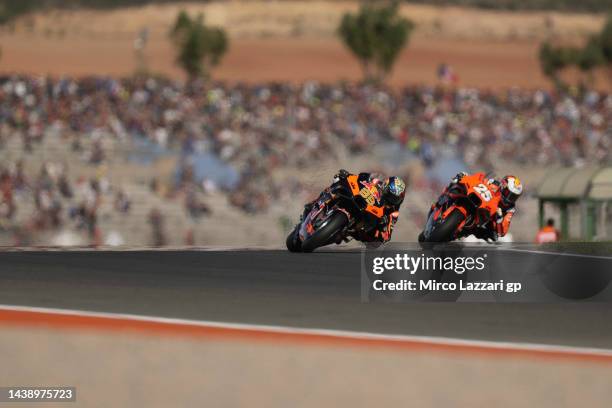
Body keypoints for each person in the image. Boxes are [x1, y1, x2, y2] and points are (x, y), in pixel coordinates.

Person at [302, 169, 406, 243]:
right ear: (385, 187)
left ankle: (344, 232)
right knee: (337, 183)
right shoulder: (376, 182)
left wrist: (383, 226)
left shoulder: (394, 210)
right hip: (356, 200)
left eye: (395, 199)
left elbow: (387, 235)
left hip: (366, 220)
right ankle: (316, 203)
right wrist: (348, 176)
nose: (392, 200)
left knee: (375, 241)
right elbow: (362, 177)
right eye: (390, 195)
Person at [430, 172, 522, 241]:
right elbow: (480, 179)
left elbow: (502, 232)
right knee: (456, 184)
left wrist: (499, 219)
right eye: (508, 193)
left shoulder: (509, 208)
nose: (510, 198)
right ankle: (442, 200)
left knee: (490, 235)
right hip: (475, 198)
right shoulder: (493, 183)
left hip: (483, 217)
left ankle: (454, 234)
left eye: (514, 197)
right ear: (503, 185)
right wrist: (465, 177)